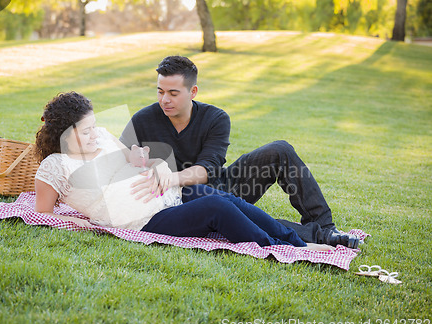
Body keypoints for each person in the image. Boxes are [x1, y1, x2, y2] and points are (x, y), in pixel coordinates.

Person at [33, 91, 334, 251]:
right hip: (144, 219)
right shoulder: (55, 166)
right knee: (216, 207)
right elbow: (42, 213)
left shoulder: (102, 137)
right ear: (64, 132)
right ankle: (282, 249)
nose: (94, 133)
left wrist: (152, 162)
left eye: (93, 125)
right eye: (85, 130)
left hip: (166, 193)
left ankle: (298, 241)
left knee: (224, 198)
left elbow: (138, 160)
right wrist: (88, 222)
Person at [119, 56, 359, 249]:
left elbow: (209, 168)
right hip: (179, 200)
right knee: (232, 213)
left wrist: (173, 176)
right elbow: (117, 158)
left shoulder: (216, 118)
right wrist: (134, 157)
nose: (164, 100)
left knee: (280, 150)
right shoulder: (143, 119)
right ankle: (316, 238)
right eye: (160, 91)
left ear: (193, 92)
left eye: (173, 93)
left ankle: (324, 226)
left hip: (220, 184)